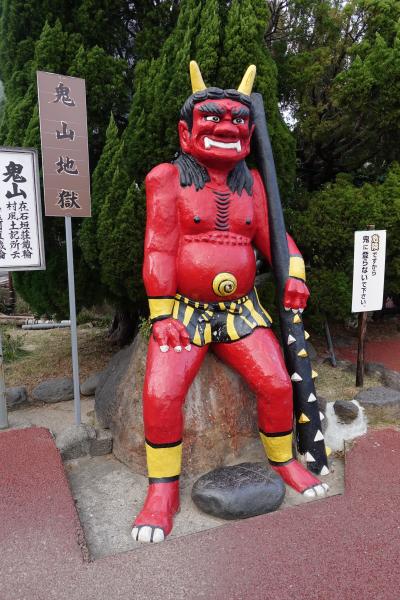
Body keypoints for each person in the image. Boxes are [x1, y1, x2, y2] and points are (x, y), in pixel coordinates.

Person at [132, 62, 328, 544]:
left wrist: (295, 276)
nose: (227, 127)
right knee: (161, 393)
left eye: (239, 120)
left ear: (251, 132)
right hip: (185, 311)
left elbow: (277, 240)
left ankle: (283, 462)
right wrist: (161, 315)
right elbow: (158, 248)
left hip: (241, 310)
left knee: (278, 384)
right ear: (186, 132)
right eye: (213, 118)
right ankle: (162, 488)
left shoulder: (254, 184)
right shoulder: (166, 179)